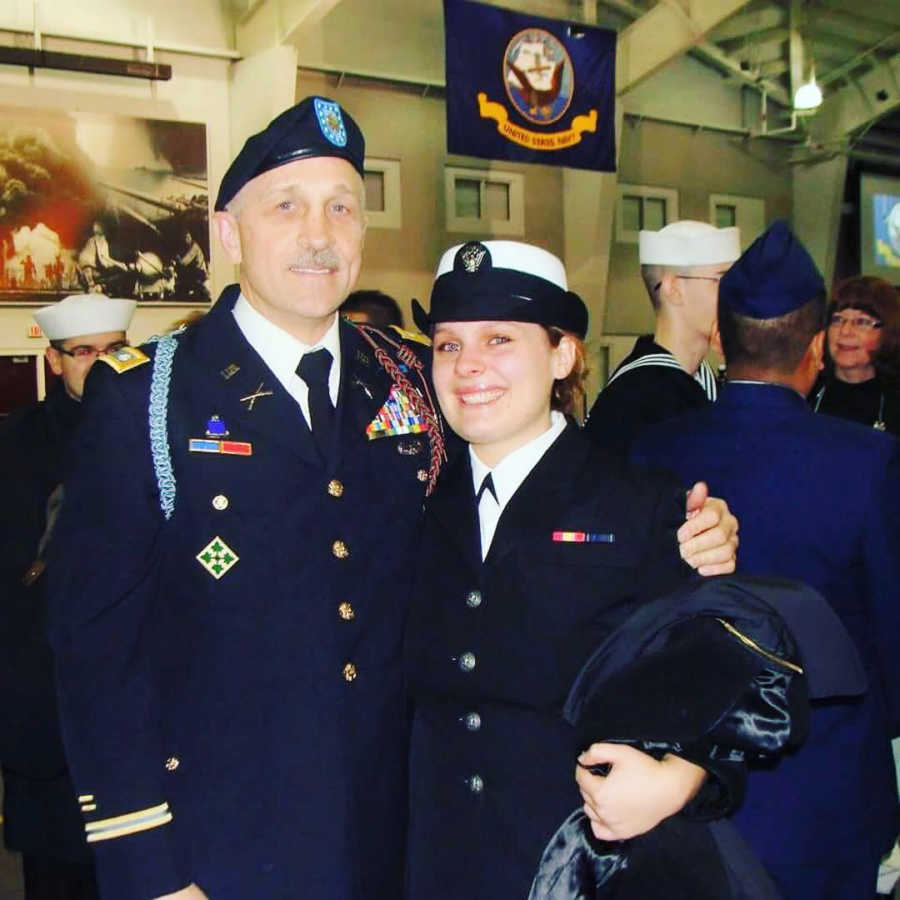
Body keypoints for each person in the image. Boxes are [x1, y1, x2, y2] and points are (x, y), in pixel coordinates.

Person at [46, 101, 737, 900]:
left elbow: (505, 513)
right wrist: (149, 867)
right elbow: (95, 652)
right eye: (287, 206)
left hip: (397, 841)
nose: (319, 234)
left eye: (342, 206)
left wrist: (689, 535)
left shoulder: (410, 378)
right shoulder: (148, 399)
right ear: (229, 234)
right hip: (216, 851)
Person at [403, 240, 745, 899]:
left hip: (585, 868)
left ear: (562, 353)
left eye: (500, 339)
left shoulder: (645, 508)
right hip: (434, 865)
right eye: (448, 344)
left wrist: (684, 774)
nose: (469, 366)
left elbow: (721, 684)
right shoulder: (408, 504)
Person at [632, 221, 900, 899]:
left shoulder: (650, 452)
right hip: (829, 795)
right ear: (816, 345)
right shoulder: (869, 463)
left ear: (723, 335)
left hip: (686, 786)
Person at [0, 293, 136, 900]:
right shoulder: (14, 444)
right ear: (54, 361)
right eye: (83, 353)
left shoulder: (156, 434)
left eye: (113, 351)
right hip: (42, 701)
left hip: (135, 703)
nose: (100, 365)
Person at [584, 220, 740, 456]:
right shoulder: (634, 401)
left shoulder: (703, 385)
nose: (736, 296)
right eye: (723, 281)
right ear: (674, 289)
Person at [810, 275, 900, 435]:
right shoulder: (806, 390)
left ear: (887, 332)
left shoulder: (894, 400)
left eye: (862, 322)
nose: (845, 331)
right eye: (837, 320)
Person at [76, 221, 129, 293]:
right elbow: (104, 260)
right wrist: (120, 265)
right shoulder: (100, 240)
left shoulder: (91, 240)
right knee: (123, 275)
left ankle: (99, 287)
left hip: (84, 274)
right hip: (91, 274)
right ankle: (101, 287)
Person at [174, 231, 211, 301]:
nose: (187, 239)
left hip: (199, 272)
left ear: (191, 237)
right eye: (185, 238)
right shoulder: (188, 247)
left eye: (188, 237)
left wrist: (178, 259)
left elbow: (184, 262)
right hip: (195, 272)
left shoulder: (194, 247)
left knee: (184, 277)